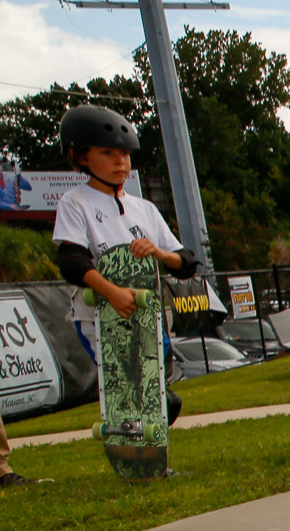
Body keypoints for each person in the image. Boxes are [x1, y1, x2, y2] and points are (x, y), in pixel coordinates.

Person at [49, 104, 199, 474]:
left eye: (125, 154)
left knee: (159, 395)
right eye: (108, 153)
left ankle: (151, 461)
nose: (120, 162)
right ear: (80, 157)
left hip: (149, 314)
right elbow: (71, 261)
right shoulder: (75, 202)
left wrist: (161, 252)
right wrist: (111, 292)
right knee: (126, 388)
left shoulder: (143, 209)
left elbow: (188, 263)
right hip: (100, 314)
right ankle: (136, 459)